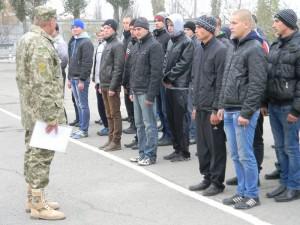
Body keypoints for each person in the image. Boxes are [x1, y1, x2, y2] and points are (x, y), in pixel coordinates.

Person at [16, 5, 66, 220]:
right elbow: (44, 81)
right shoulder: (40, 44)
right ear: (50, 21)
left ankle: (33, 197)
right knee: (42, 155)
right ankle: (38, 205)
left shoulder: (26, 38)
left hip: (30, 108)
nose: (56, 24)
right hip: (44, 110)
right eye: (55, 20)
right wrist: (52, 117)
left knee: (33, 152)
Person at [218, 9, 267, 209]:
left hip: (242, 111)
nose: (231, 25)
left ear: (247, 24)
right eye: (231, 22)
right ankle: (241, 192)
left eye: (235, 22)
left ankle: (252, 195)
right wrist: (221, 105)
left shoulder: (255, 47)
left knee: (246, 154)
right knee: (236, 154)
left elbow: (258, 83)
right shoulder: (233, 46)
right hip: (229, 109)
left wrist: (247, 113)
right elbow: (227, 78)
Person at [261, 9, 300, 202]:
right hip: (274, 105)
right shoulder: (276, 45)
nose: (274, 24)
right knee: (279, 147)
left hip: (289, 107)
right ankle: (284, 183)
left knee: (291, 147)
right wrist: (264, 101)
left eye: (277, 21)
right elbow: (268, 77)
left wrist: (297, 109)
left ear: (287, 23)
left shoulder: (298, 45)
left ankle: (295, 186)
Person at [188, 15, 227, 196]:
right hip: (200, 105)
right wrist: (195, 105)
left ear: (209, 29)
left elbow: (220, 82)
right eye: (195, 27)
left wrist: (216, 108)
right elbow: (196, 79)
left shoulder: (220, 50)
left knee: (215, 146)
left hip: (212, 107)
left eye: (199, 27)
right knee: (202, 147)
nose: (196, 30)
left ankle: (217, 182)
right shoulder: (198, 48)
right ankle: (207, 177)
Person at [128, 17, 163, 165]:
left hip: (146, 93)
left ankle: (150, 155)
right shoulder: (136, 46)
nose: (136, 32)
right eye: (135, 29)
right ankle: (142, 153)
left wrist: (151, 95)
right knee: (139, 125)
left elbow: (156, 73)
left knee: (150, 125)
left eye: (139, 29)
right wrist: (131, 90)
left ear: (146, 29)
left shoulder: (154, 46)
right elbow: (132, 70)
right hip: (136, 91)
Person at [162, 14, 194, 162]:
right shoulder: (170, 42)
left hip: (180, 87)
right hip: (169, 87)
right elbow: (166, 60)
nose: (170, 28)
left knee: (181, 121)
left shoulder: (187, 42)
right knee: (171, 119)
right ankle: (176, 149)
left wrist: (169, 78)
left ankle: (184, 152)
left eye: (172, 25)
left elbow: (183, 64)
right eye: (168, 25)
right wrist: (164, 76)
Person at [98, 19, 125, 151]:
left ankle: (116, 141)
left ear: (114, 29)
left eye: (108, 28)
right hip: (104, 84)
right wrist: (100, 84)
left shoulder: (117, 45)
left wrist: (113, 87)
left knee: (115, 113)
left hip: (111, 86)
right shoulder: (107, 44)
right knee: (108, 114)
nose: (105, 30)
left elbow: (118, 68)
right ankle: (110, 139)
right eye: (104, 28)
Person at [68, 19, 94, 139]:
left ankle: (84, 130)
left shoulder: (86, 42)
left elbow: (87, 63)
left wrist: (82, 79)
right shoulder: (73, 41)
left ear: (82, 28)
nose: (74, 29)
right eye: (73, 27)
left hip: (80, 79)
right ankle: (80, 127)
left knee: (83, 105)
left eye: (77, 27)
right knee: (78, 104)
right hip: (73, 78)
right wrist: (69, 78)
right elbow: (71, 61)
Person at [153, 13, 173, 146]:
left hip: (164, 77)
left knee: (165, 109)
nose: (157, 23)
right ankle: (165, 132)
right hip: (156, 77)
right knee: (159, 108)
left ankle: (169, 134)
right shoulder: (155, 36)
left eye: (159, 21)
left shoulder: (167, 37)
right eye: (155, 21)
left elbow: (167, 58)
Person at [123, 19, 139, 150]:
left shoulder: (140, 44)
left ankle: (140, 139)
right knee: (133, 111)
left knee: (142, 117)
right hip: (129, 82)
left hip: (138, 85)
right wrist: (125, 82)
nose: (133, 31)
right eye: (132, 29)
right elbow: (127, 64)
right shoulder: (130, 43)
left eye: (135, 29)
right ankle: (137, 137)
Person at [92, 25, 109, 137]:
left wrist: (102, 81)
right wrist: (95, 78)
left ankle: (108, 127)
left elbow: (106, 66)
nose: (101, 33)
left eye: (103, 31)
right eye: (100, 31)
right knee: (100, 105)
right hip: (99, 81)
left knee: (105, 106)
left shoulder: (107, 46)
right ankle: (106, 125)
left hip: (104, 81)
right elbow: (97, 65)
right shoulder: (100, 46)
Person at [183, 20, 197, 145]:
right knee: (189, 108)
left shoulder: (195, 43)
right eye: (184, 29)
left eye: (187, 30)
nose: (185, 32)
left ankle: (194, 134)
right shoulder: (190, 43)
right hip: (189, 80)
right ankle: (191, 132)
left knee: (192, 108)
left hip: (193, 80)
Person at [122, 16, 136, 135]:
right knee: (127, 101)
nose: (127, 26)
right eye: (125, 23)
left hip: (134, 80)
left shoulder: (133, 41)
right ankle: (132, 121)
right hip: (127, 76)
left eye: (129, 24)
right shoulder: (126, 39)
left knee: (132, 103)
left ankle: (134, 124)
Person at [52, 23, 68, 88]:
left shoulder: (60, 42)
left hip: (58, 74)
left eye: (52, 30)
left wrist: (59, 68)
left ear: (57, 31)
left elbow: (64, 57)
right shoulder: (51, 41)